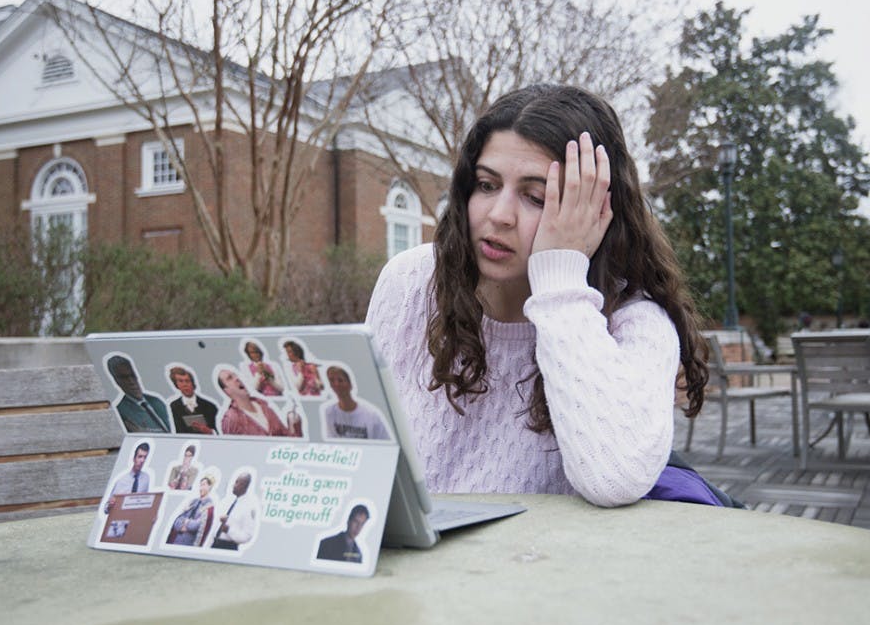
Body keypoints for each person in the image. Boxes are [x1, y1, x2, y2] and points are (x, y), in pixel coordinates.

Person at [365, 84, 708, 508]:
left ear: (596, 213)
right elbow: (362, 448)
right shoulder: (411, 281)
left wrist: (561, 276)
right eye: (487, 185)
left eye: (535, 197)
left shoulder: (633, 322)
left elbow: (615, 478)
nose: (499, 215)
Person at [217, 367, 302, 437]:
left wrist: (294, 424)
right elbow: (230, 451)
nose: (236, 378)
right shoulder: (231, 419)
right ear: (226, 391)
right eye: (230, 378)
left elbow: (287, 441)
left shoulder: (265, 408)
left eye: (235, 375)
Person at [321, 366, 390, 440]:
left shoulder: (372, 416)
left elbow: (384, 443)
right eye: (332, 380)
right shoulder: (329, 413)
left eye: (340, 380)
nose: (336, 384)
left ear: (350, 384)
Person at [107, 356, 171, 432]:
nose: (131, 382)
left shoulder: (156, 401)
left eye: (132, 375)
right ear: (116, 380)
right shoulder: (121, 411)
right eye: (124, 378)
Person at [211, 472, 258, 550]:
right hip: (214, 543)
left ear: (244, 486)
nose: (233, 485)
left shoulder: (248, 508)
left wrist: (228, 530)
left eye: (237, 482)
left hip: (228, 547)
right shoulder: (228, 501)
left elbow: (247, 536)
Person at [167, 475, 216, 547]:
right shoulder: (193, 502)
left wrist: (186, 522)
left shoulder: (209, 507)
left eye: (203, 485)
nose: (200, 488)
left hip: (189, 543)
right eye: (200, 485)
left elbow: (196, 526)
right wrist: (182, 526)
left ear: (209, 487)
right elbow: (177, 520)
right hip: (176, 541)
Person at [168, 366, 219, 434]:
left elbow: (220, 432)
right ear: (176, 384)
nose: (185, 385)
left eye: (187, 381)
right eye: (181, 381)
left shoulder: (209, 406)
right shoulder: (173, 406)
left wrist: (209, 431)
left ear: (193, 383)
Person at [104, 442, 152, 513]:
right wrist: (110, 506)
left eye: (145, 457)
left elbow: (144, 503)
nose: (142, 460)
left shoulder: (146, 478)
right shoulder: (121, 480)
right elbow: (106, 509)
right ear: (134, 458)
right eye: (140, 457)